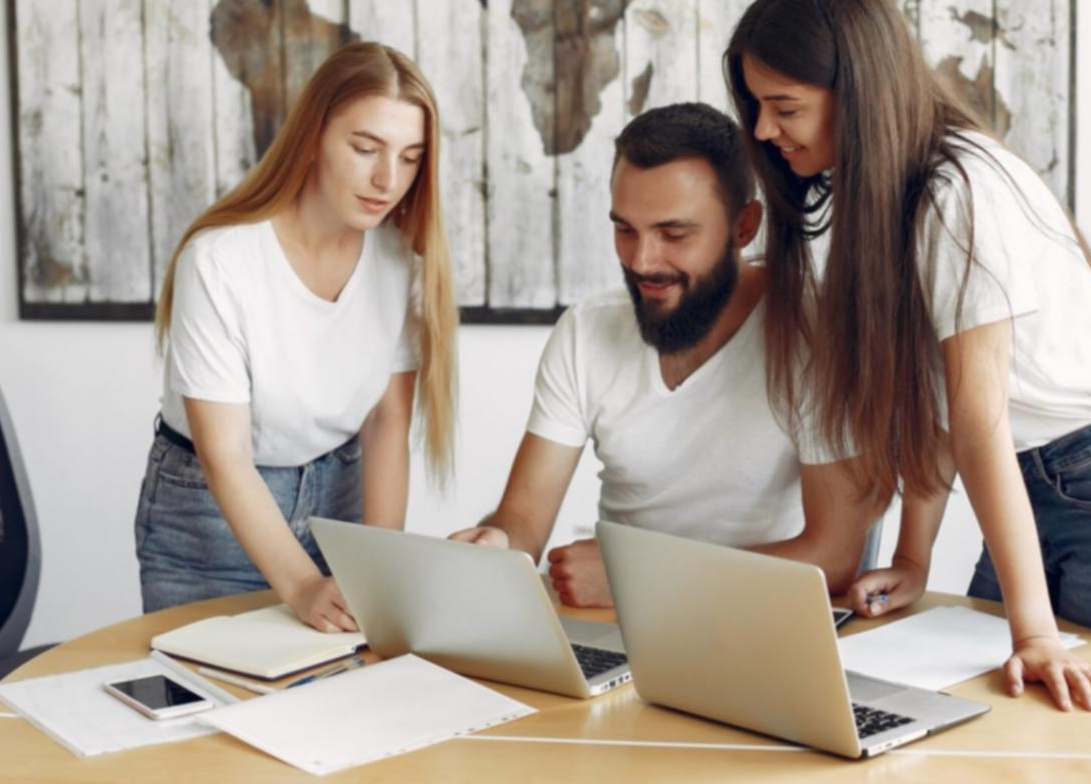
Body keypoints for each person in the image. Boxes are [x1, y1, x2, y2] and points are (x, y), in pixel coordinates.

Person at [724, 0, 1091, 711]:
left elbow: (978, 414)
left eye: (783, 106)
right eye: (758, 107)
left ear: (856, 94)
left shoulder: (958, 190)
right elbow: (931, 398)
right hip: (1038, 482)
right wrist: (911, 555)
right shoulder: (890, 194)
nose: (764, 131)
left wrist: (1032, 631)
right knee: (1013, 730)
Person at [450, 102, 904, 605]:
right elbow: (524, 521)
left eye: (674, 234)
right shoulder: (585, 332)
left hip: (763, 621)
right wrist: (498, 543)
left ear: (743, 227)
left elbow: (833, 556)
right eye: (625, 229)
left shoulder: (814, 334)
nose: (642, 261)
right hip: (619, 633)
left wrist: (639, 579)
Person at [136, 41, 457, 633]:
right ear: (312, 138)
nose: (388, 180)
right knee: (211, 710)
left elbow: (388, 420)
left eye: (411, 158)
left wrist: (379, 571)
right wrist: (303, 584)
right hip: (211, 514)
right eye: (365, 149)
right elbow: (224, 454)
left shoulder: (401, 266)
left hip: (342, 499)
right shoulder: (219, 261)